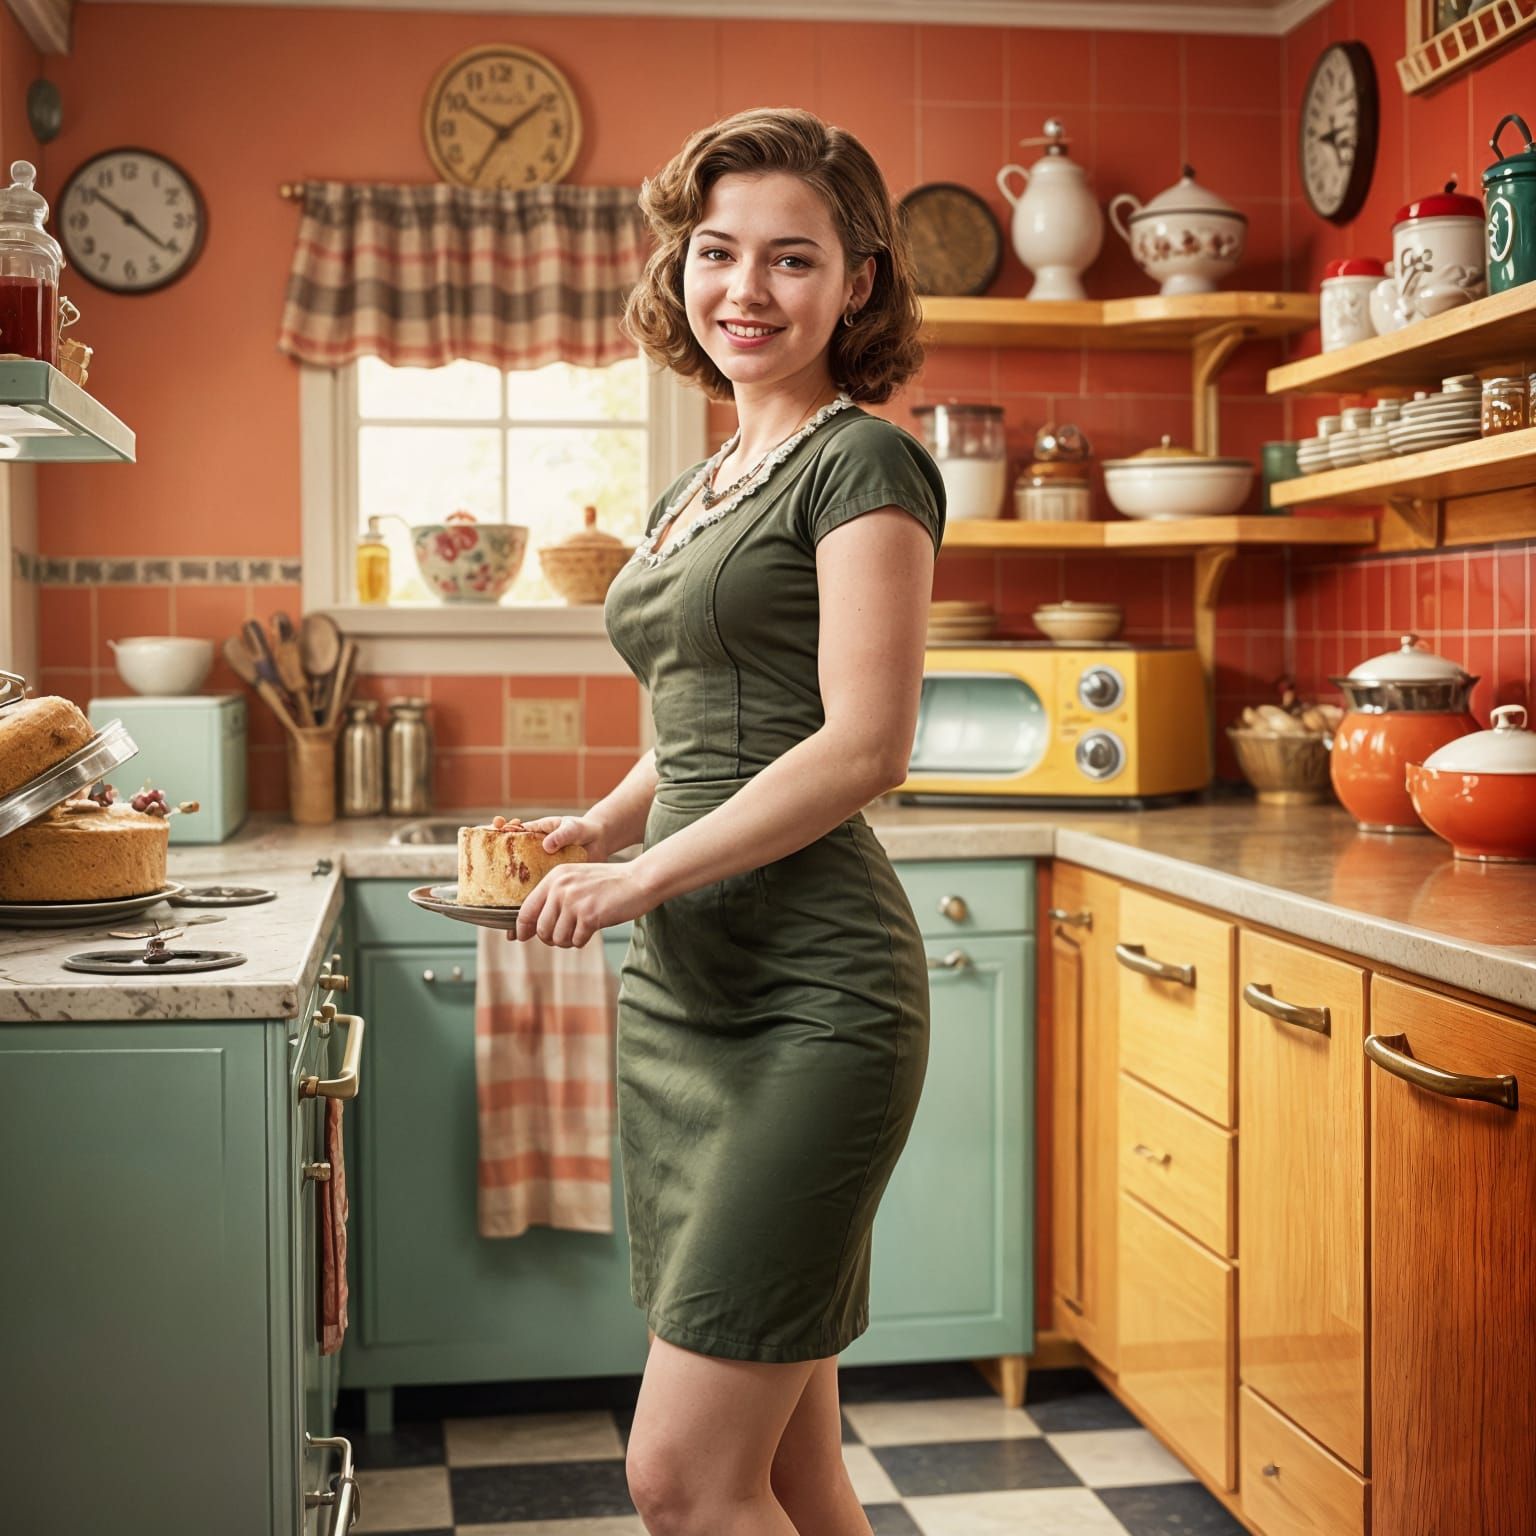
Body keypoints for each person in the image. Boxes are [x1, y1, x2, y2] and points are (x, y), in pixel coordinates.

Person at [511, 106, 945, 1536]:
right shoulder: (701, 483)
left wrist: (640, 879)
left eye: (792, 258)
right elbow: (703, 715)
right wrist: (602, 822)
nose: (745, 290)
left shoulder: (861, 465)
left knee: (684, 1480)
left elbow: (863, 744)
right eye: (717, 252)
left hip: (815, 998)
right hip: (691, 992)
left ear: (858, 282)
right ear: (680, 266)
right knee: (788, 1474)